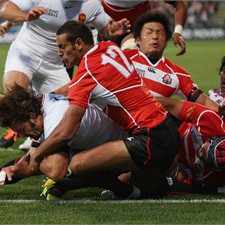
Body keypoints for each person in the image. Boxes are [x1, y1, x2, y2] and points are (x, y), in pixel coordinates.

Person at [21, 21, 180, 198]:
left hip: (150, 138)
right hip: (167, 128)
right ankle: (152, 181)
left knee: (77, 164)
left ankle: (126, 191)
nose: (59, 53)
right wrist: (46, 97)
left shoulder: (87, 71)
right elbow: (74, 85)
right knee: (120, 169)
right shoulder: (108, 46)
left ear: (78, 44)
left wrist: (38, 154)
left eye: (62, 46)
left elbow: (66, 132)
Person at [0, 0, 130, 148]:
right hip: (26, 53)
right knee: (15, 87)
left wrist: (111, 31)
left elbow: (106, 28)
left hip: (55, 64)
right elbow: (4, 8)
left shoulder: (92, 5)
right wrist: (25, 16)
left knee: (65, 109)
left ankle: (37, 137)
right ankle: (17, 130)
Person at [0, 86, 142, 200]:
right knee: (42, 158)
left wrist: (21, 167)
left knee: (71, 167)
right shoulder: (43, 104)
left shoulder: (54, 121)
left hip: (128, 150)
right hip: (109, 141)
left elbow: (55, 170)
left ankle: (125, 190)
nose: (24, 136)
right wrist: (14, 168)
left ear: (31, 116)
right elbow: (32, 154)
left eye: (24, 130)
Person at [126, 11, 218, 111]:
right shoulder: (124, 59)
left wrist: (220, 111)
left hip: (154, 124)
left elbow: (203, 101)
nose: (155, 37)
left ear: (166, 41)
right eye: (149, 32)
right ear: (138, 40)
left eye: (160, 33)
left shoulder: (178, 74)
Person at [101, 0, 187, 55]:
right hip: (106, 21)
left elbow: (179, 4)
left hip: (138, 22)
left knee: (135, 53)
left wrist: (178, 31)